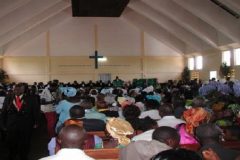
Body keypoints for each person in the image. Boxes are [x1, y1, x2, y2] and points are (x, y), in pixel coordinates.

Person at [2, 83, 39, 160]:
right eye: (16, 89)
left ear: (24, 90)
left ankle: (23, 156)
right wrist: (2, 124)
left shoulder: (31, 98)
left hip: (26, 124)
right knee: (11, 141)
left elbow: (35, 111)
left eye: (20, 89)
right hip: (12, 125)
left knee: (25, 142)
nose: (17, 90)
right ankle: (12, 155)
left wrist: (36, 122)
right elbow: (4, 111)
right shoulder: (9, 97)